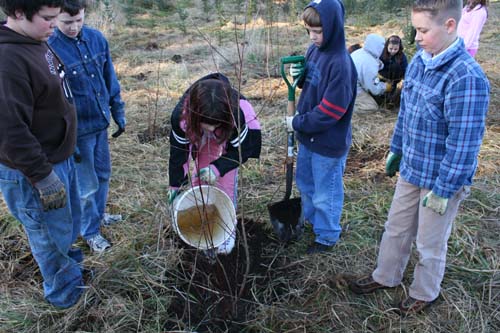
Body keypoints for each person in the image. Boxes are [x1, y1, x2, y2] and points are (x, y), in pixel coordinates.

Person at [349, 0, 490, 315]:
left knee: (430, 241)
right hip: (413, 167)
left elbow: (464, 143)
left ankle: (425, 292)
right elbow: (405, 114)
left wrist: (445, 188)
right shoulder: (419, 62)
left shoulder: (466, 78)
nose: (416, 37)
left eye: (424, 30)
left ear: (450, 26)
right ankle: (385, 276)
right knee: (396, 227)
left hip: (441, 178)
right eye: (415, 29)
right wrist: (396, 148)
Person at [0, 0, 84, 308]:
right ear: (18, 13)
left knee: (66, 225)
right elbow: (9, 132)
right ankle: (66, 297)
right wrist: (42, 176)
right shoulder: (7, 61)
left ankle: (72, 270)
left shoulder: (35, 40)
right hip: (35, 171)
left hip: (58, 158)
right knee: (49, 236)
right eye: (48, 18)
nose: (55, 23)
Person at [48, 0, 126, 253]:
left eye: (79, 20)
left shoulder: (96, 39)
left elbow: (109, 78)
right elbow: (52, 100)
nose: (73, 27)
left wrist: (118, 110)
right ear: (55, 18)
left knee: (102, 175)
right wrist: (65, 137)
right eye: (67, 22)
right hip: (76, 132)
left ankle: (99, 215)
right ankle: (90, 231)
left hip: (99, 124)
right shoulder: (50, 49)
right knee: (86, 185)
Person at [286, 0, 357, 254]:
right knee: (306, 183)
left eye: (318, 31)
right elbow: (310, 84)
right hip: (308, 138)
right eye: (309, 31)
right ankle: (312, 222)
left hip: (328, 143)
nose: (313, 37)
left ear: (334, 26)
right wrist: (300, 75)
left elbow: (330, 112)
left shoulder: (341, 64)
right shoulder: (314, 50)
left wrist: (297, 122)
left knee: (325, 192)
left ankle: (326, 236)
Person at [167, 73, 261, 255]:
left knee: (224, 182)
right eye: (207, 124)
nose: (210, 128)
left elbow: (241, 151)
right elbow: (178, 154)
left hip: (229, 132)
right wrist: (175, 186)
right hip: (197, 128)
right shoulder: (182, 117)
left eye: (214, 124)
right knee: (200, 180)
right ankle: (203, 228)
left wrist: (217, 168)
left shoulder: (237, 115)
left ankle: (225, 232)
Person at [350, 33, 392, 112]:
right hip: (352, 90)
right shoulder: (369, 64)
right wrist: (385, 87)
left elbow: (376, 62)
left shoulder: (360, 52)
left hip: (346, 85)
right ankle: (346, 108)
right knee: (371, 106)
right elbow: (373, 89)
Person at [378, 35, 408, 105]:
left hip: (395, 81)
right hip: (382, 80)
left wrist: (404, 79)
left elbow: (406, 69)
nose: (393, 51)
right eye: (391, 48)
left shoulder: (402, 56)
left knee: (393, 98)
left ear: (399, 48)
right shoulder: (381, 54)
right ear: (387, 46)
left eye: (395, 49)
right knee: (381, 96)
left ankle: (391, 102)